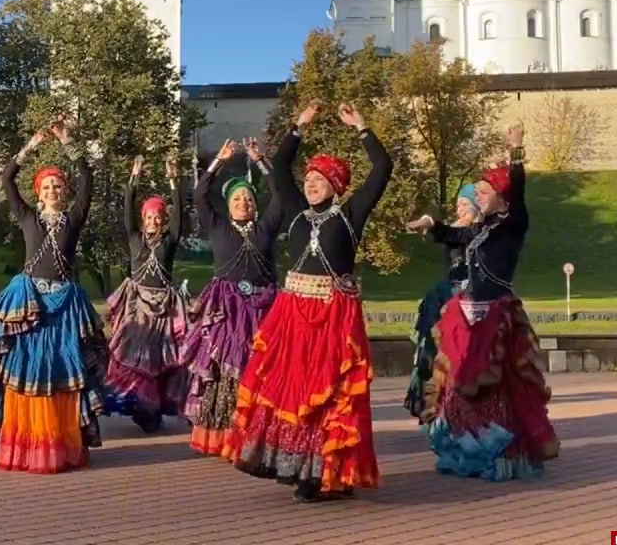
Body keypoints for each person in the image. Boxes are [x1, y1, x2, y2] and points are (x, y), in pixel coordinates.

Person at [223, 102, 393, 503]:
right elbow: (281, 169)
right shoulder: (297, 211)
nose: (312, 182)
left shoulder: (352, 214)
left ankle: (332, 472)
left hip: (333, 316)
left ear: (337, 186)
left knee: (331, 394)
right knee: (293, 393)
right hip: (293, 314)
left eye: (321, 178)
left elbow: (382, 169)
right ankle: (302, 467)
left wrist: (362, 128)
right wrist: (298, 127)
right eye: (311, 177)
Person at [406, 125, 559, 480]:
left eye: (485, 191)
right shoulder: (481, 229)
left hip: (496, 315)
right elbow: (452, 233)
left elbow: (519, 193)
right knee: (459, 383)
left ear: (501, 196)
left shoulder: (512, 223)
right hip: (466, 315)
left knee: (495, 386)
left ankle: (500, 456)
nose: (480, 196)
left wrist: (516, 152)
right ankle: (466, 448)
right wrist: (429, 223)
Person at [0, 123, 107, 474]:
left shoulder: (74, 218)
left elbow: (88, 179)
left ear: (64, 193)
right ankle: (28, 445)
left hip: (66, 306)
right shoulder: (27, 217)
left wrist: (70, 142)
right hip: (29, 305)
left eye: (58, 186)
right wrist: (30, 146)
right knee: (27, 371)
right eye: (47, 186)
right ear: (39, 193)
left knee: (63, 371)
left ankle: (61, 443)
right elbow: (7, 180)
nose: (53, 189)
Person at [179, 136, 283, 455]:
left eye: (248, 199)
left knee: (260, 370)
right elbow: (200, 194)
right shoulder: (217, 226)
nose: (243, 203)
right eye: (237, 199)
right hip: (226, 310)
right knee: (225, 371)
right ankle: (224, 433)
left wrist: (261, 160)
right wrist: (220, 161)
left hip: (263, 309)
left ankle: (256, 432)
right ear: (229, 205)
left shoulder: (265, 227)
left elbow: (281, 196)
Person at [103, 154, 189, 434]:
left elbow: (180, 216)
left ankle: (155, 407)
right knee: (134, 355)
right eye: (149, 216)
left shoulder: (170, 240)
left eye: (158, 216)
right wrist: (134, 177)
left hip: (163, 307)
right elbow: (127, 210)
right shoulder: (134, 238)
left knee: (158, 358)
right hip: (137, 306)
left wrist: (174, 181)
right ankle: (137, 404)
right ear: (143, 219)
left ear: (163, 220)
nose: (153, 220)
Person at [403, 183, 480, 419]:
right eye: (458, 205)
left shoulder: (482, 231)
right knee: (436, 346)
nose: (460, 210)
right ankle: (438, 401)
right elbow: (448, 233)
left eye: (466, 205)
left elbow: (458, 234)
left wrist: (432, 223)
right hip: (447, 296)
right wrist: (429, 221)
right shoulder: (456, 229)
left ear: (477, 208)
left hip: (474, 298)